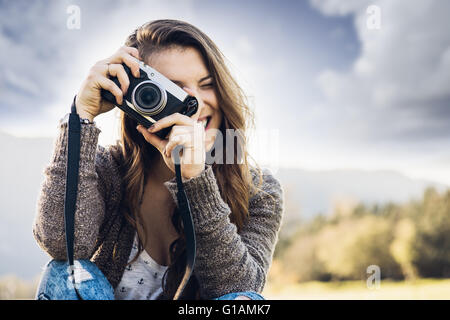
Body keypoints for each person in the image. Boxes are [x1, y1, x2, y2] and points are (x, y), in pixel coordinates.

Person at [32, 19, 283, 300]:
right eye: (174, 90)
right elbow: (62, 245)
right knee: (66, 274)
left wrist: (195, 180)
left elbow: (238, 291)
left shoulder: (260, 191)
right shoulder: (108, 170)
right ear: (137, 99)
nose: (195, 103)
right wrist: (81, 117)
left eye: (207, 84)